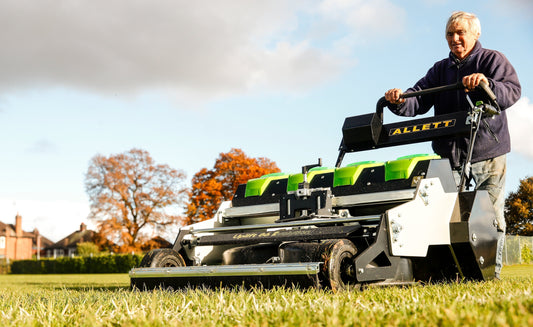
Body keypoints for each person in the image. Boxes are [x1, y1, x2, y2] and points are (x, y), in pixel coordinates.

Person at [384, 11, 521, 279]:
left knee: (490, 216)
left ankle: (491, 274)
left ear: (475, 34)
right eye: (450, 34)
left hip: (487, 151)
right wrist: (398, 100)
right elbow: (418, 99)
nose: (455, 38)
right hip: (450, 154)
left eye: (461, 33)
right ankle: (450, 273)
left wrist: (485, 83)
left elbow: (512, 90)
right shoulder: (439, 70)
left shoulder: (492, 60)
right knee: (444, 215)